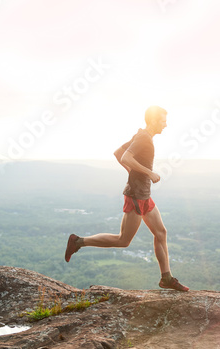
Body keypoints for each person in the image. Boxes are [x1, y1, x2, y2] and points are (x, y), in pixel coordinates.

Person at [64, 106, 189, 292]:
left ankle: (167, 278)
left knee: (161, 233)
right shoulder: (143, 138)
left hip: (145, 195)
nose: (166, 124)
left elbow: (117, 153)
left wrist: (133, 172)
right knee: (123, 240)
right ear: (154, 120)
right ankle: (78, 241)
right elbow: (125, 156)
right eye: (163, 120)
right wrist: (149, 173)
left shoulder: (142, 136)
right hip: (136, 196)